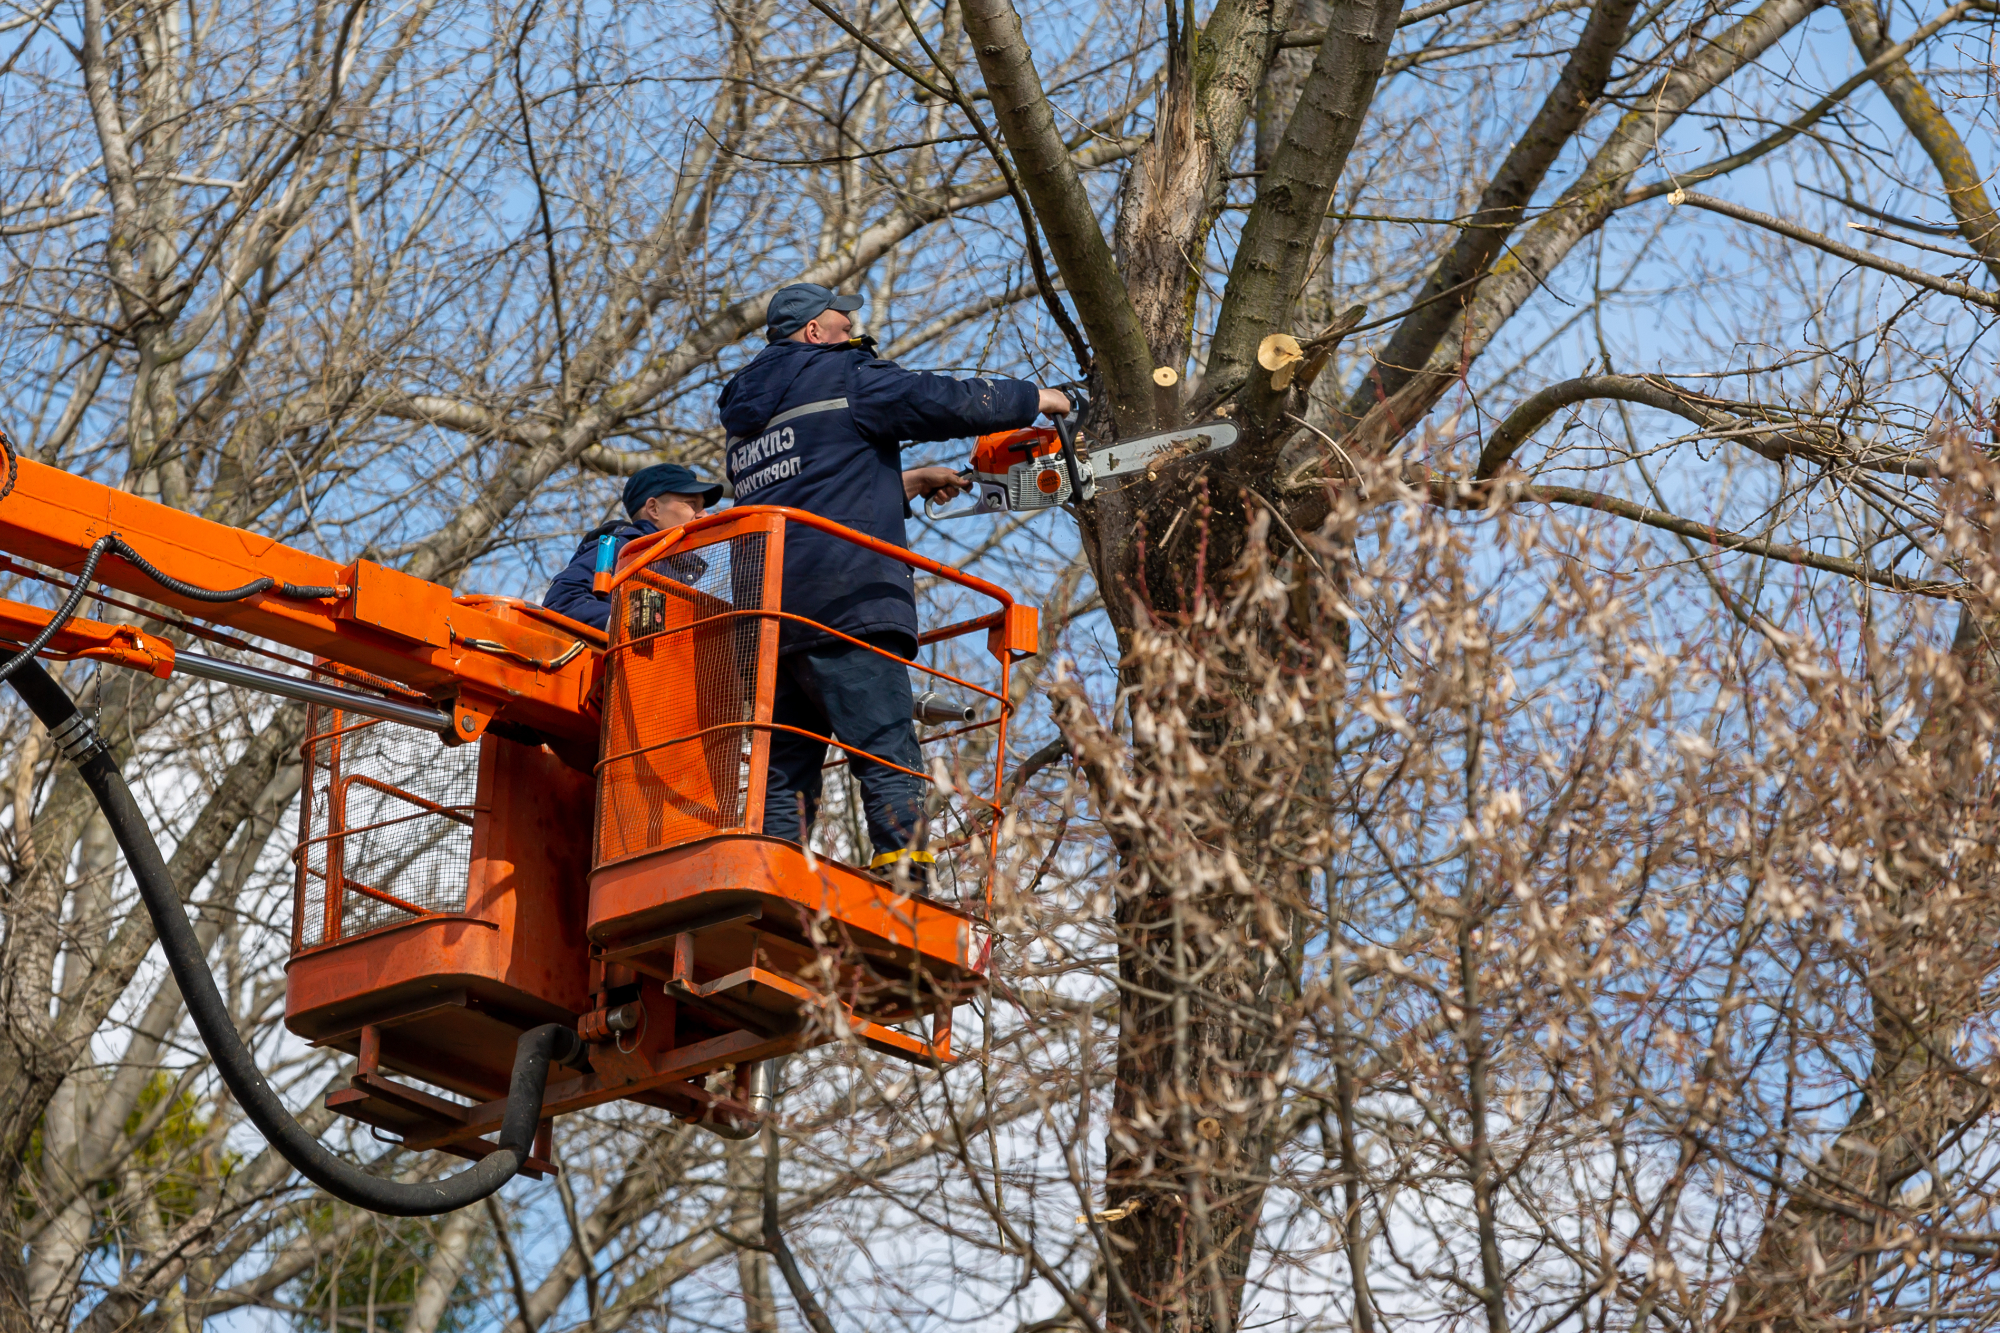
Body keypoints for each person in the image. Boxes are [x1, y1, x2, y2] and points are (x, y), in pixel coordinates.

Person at [718, 280, 1071, 873]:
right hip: (846, 597)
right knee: (884, 742)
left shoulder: (747, 412)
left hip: (769, 610)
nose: (853, 330)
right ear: (814, 332)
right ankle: (905, 872)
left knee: (786, 767)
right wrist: (1035, 398)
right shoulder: (842, 373)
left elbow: (813, 483)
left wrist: (904, 483)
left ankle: (772, 872)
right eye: (843, 321)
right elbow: (940, 399)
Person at [543, 463, 722, 632]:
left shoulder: (682, 568)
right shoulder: (620, 549)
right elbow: (561, 600)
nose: (703, 515)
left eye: (703, 507)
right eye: (692, 504)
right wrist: (625, 623)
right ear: (654, 509)